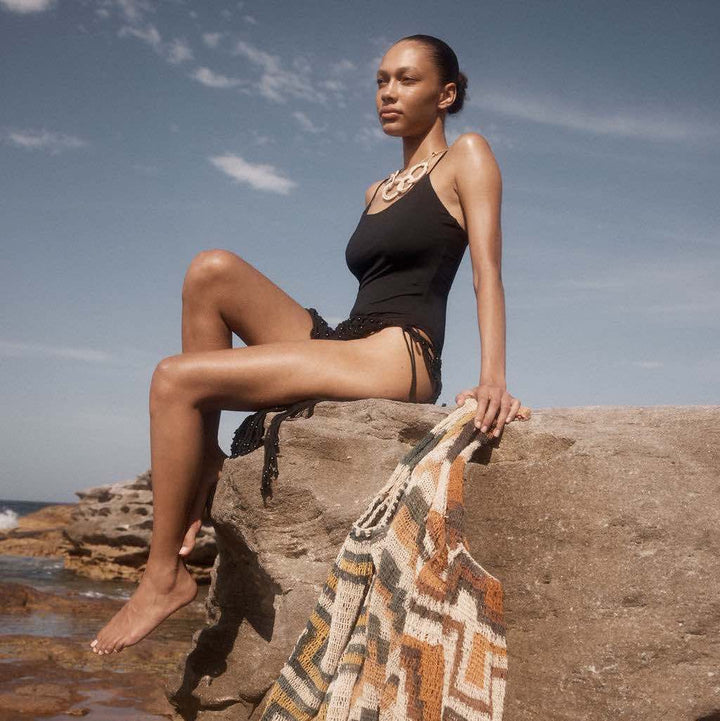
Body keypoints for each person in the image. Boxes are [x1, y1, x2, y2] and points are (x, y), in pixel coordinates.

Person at [89, 33, 524, 656]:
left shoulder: (468, 157)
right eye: (381, 80)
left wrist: (493, 380)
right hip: (352, 335)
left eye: (406, 80)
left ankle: (164, 577)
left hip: (401, 352)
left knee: (173, 378)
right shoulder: (378, 189)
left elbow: (487, 272)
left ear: (446, 93)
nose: (387, 93)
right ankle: (209, 459)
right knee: (210, 270)